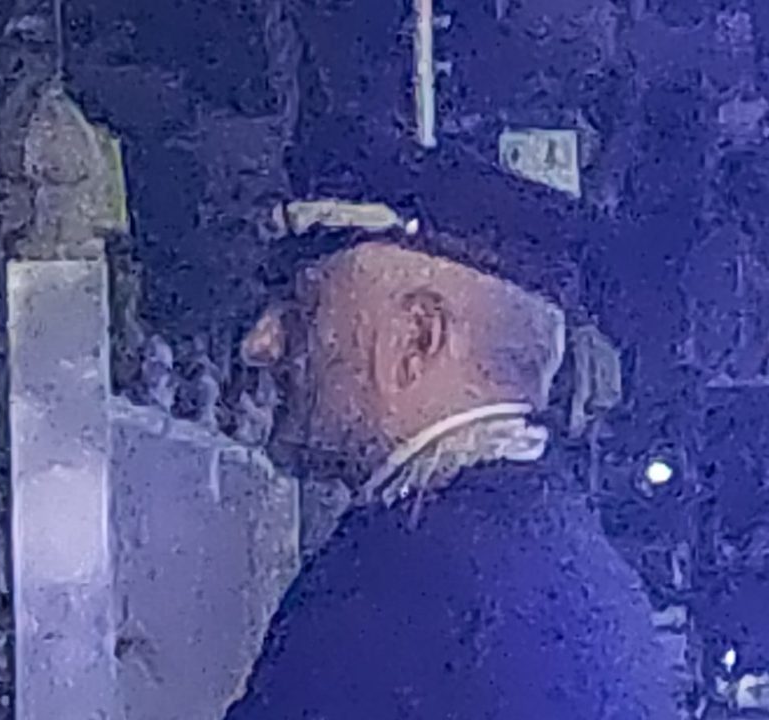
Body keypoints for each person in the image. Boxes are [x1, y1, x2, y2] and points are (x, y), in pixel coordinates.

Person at [222, 224, 676, 719]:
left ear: (418, 338)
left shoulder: (399, 586)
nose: (260, 343)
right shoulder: (586, 573)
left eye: (305, 311)